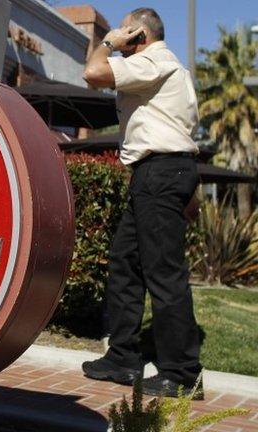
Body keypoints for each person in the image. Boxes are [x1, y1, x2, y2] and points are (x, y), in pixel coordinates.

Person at [81, 8, 203, 399]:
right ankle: (122, 357)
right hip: (164, 174)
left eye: (125, 26)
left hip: (159, 175)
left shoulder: (152, 60)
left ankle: (183, 374)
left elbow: (93, 73)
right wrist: (191, 189)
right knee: (126, 263)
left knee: (163, 273)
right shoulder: (177, 71)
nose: (118, 32)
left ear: (140, 34)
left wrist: (108, 42)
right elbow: (181, 130)